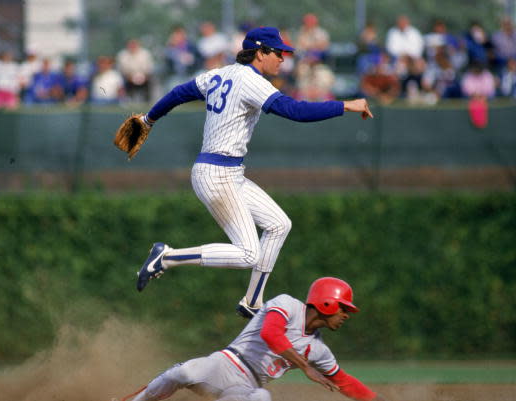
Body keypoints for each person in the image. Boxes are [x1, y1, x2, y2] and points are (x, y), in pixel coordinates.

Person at [134, 27, 373, 319]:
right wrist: (345, 104)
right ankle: (167, 257)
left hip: (228, 172)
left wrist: (148, 119)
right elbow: (295, 111)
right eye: (278, 53)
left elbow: (178, 93)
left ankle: (253, 300)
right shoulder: (250, 80)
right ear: (260, 53)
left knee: (278, 224)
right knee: (248, 254)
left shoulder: (219, 74)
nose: (283, 59)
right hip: (217, 174)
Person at [126, 277, 389, 401]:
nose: (346, 314)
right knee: (183, 373)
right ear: (327, 302)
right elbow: (270, 333)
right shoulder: (287, 305)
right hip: (225, 363)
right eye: (344, 308)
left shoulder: (319, 351)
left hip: (245, 387)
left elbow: (344, 382)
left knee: (262, 398)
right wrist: (305, 366)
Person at [117, 39, 154, 103]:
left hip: (144, 78)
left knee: (150, 83)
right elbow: (121, 70)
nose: (133, 46)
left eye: (134, 44)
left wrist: (144, 77)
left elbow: (149, 69)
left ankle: (147, 102)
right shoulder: (122, 55)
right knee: (122, 83)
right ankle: (127, 101)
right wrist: (130, 77)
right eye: (131, 44)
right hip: (128, 78)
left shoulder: (145, 54)